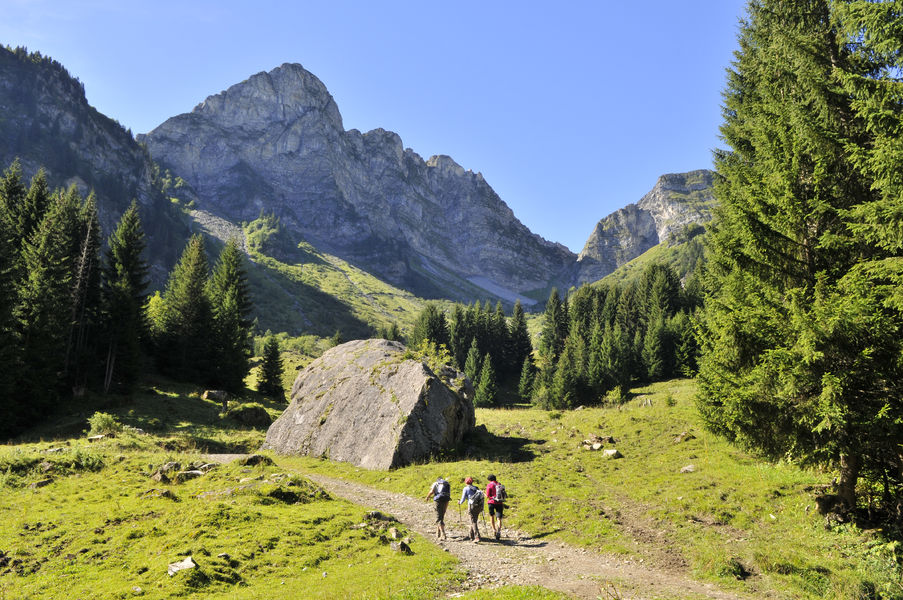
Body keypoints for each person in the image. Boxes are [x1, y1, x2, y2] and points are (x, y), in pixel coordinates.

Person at [425, 476, 451, 540]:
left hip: (438, 500)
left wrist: (427, 497)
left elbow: (431, 491)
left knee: (439, 517)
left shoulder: (436, 483)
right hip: (446, 500)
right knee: (441, 516)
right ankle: (438, 533)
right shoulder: (446, 483)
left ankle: (443, 533)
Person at [458, 476, 483, 542]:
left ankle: (477, 537)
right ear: (472, 482)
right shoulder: (476, 488)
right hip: (478, 506)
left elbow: (463, 498)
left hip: (471, 505)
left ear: (466, 482)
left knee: (473, 521)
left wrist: (459, 502)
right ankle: (471, 535)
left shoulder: (466, 488)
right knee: (474, 520)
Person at [486, 474, 504, 540]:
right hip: (499, 502)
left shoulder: (489, 485)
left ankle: (494, 530)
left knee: (492, 516)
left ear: (489, 480)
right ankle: (499, 531)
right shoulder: (499, 484)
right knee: (499, 518)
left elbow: (488, 495)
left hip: (491, 502)